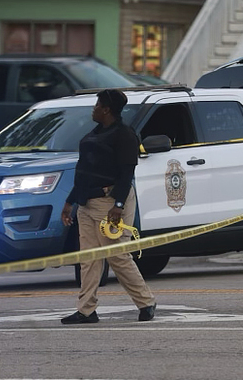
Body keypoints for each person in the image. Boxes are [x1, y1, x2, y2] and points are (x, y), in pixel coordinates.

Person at [60, 88, 156, 324]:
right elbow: (84, 172)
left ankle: (146, 302)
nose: (93, 109)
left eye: (96, 105)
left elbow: (126, 173)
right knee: (89, 258)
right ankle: (86, 310)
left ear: (106, 109)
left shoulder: (124, 135)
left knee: (117, 255)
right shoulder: (94, 133)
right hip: (86, 201)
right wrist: (69, 202)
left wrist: (119, 205)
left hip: (109, 202)